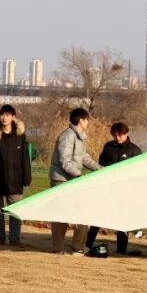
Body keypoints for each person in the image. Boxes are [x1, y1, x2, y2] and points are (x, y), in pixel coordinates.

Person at [85, 121, 142, 256]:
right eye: (115, 135)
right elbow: (100, 165)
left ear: (126, 134)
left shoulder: (134, 150)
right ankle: (87, 244)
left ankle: (121, 249)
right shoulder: (108, 147)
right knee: (97, 217)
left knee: (123, 220)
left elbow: (139, 172)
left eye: (120, 135)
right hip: (107, 189)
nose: (117, 138)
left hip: (125, 191)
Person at [48, 107, 101, 254]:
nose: (88, 122)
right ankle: (58, 248)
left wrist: (100, 169)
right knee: (60, 216)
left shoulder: (79, 137)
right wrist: (79, 175)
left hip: (73, 180)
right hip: (61, 181)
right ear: (81, 120)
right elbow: (64, 161)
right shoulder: (67, 136)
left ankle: (78, 248)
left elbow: (84, 158)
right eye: (87, 120)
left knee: (82, 214)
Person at [0, 104, 32, 247]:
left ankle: (15, 238)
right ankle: (0, 237)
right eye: (2, 115)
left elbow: (25, 159)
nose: (4, 118)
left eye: (7, 115)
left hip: (16, 181)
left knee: (15, 211)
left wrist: (26, 178)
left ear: (13, 117)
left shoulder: (20, 137)